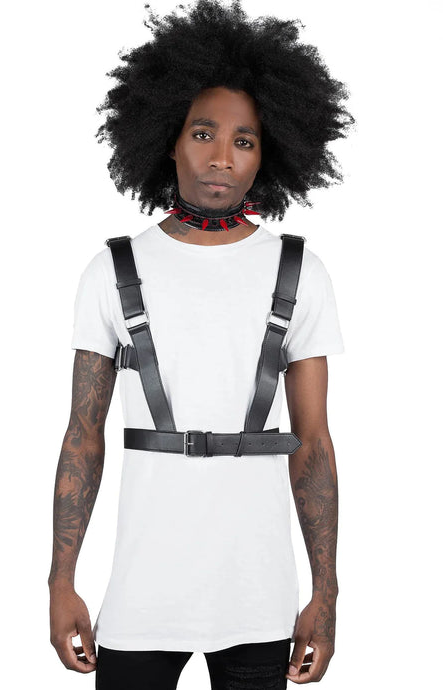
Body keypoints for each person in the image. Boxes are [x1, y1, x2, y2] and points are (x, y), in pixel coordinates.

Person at [48, 1, 355, 687]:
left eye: (244, 140)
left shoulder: (299, 272)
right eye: (203, 133)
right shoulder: (113, 270)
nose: (221, 157)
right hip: (140, 601)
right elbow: (82, 435)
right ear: (168, 139)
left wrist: (326, 593)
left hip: (259, 600)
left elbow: (313, 442)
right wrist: (60, 581)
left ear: (268, 152)